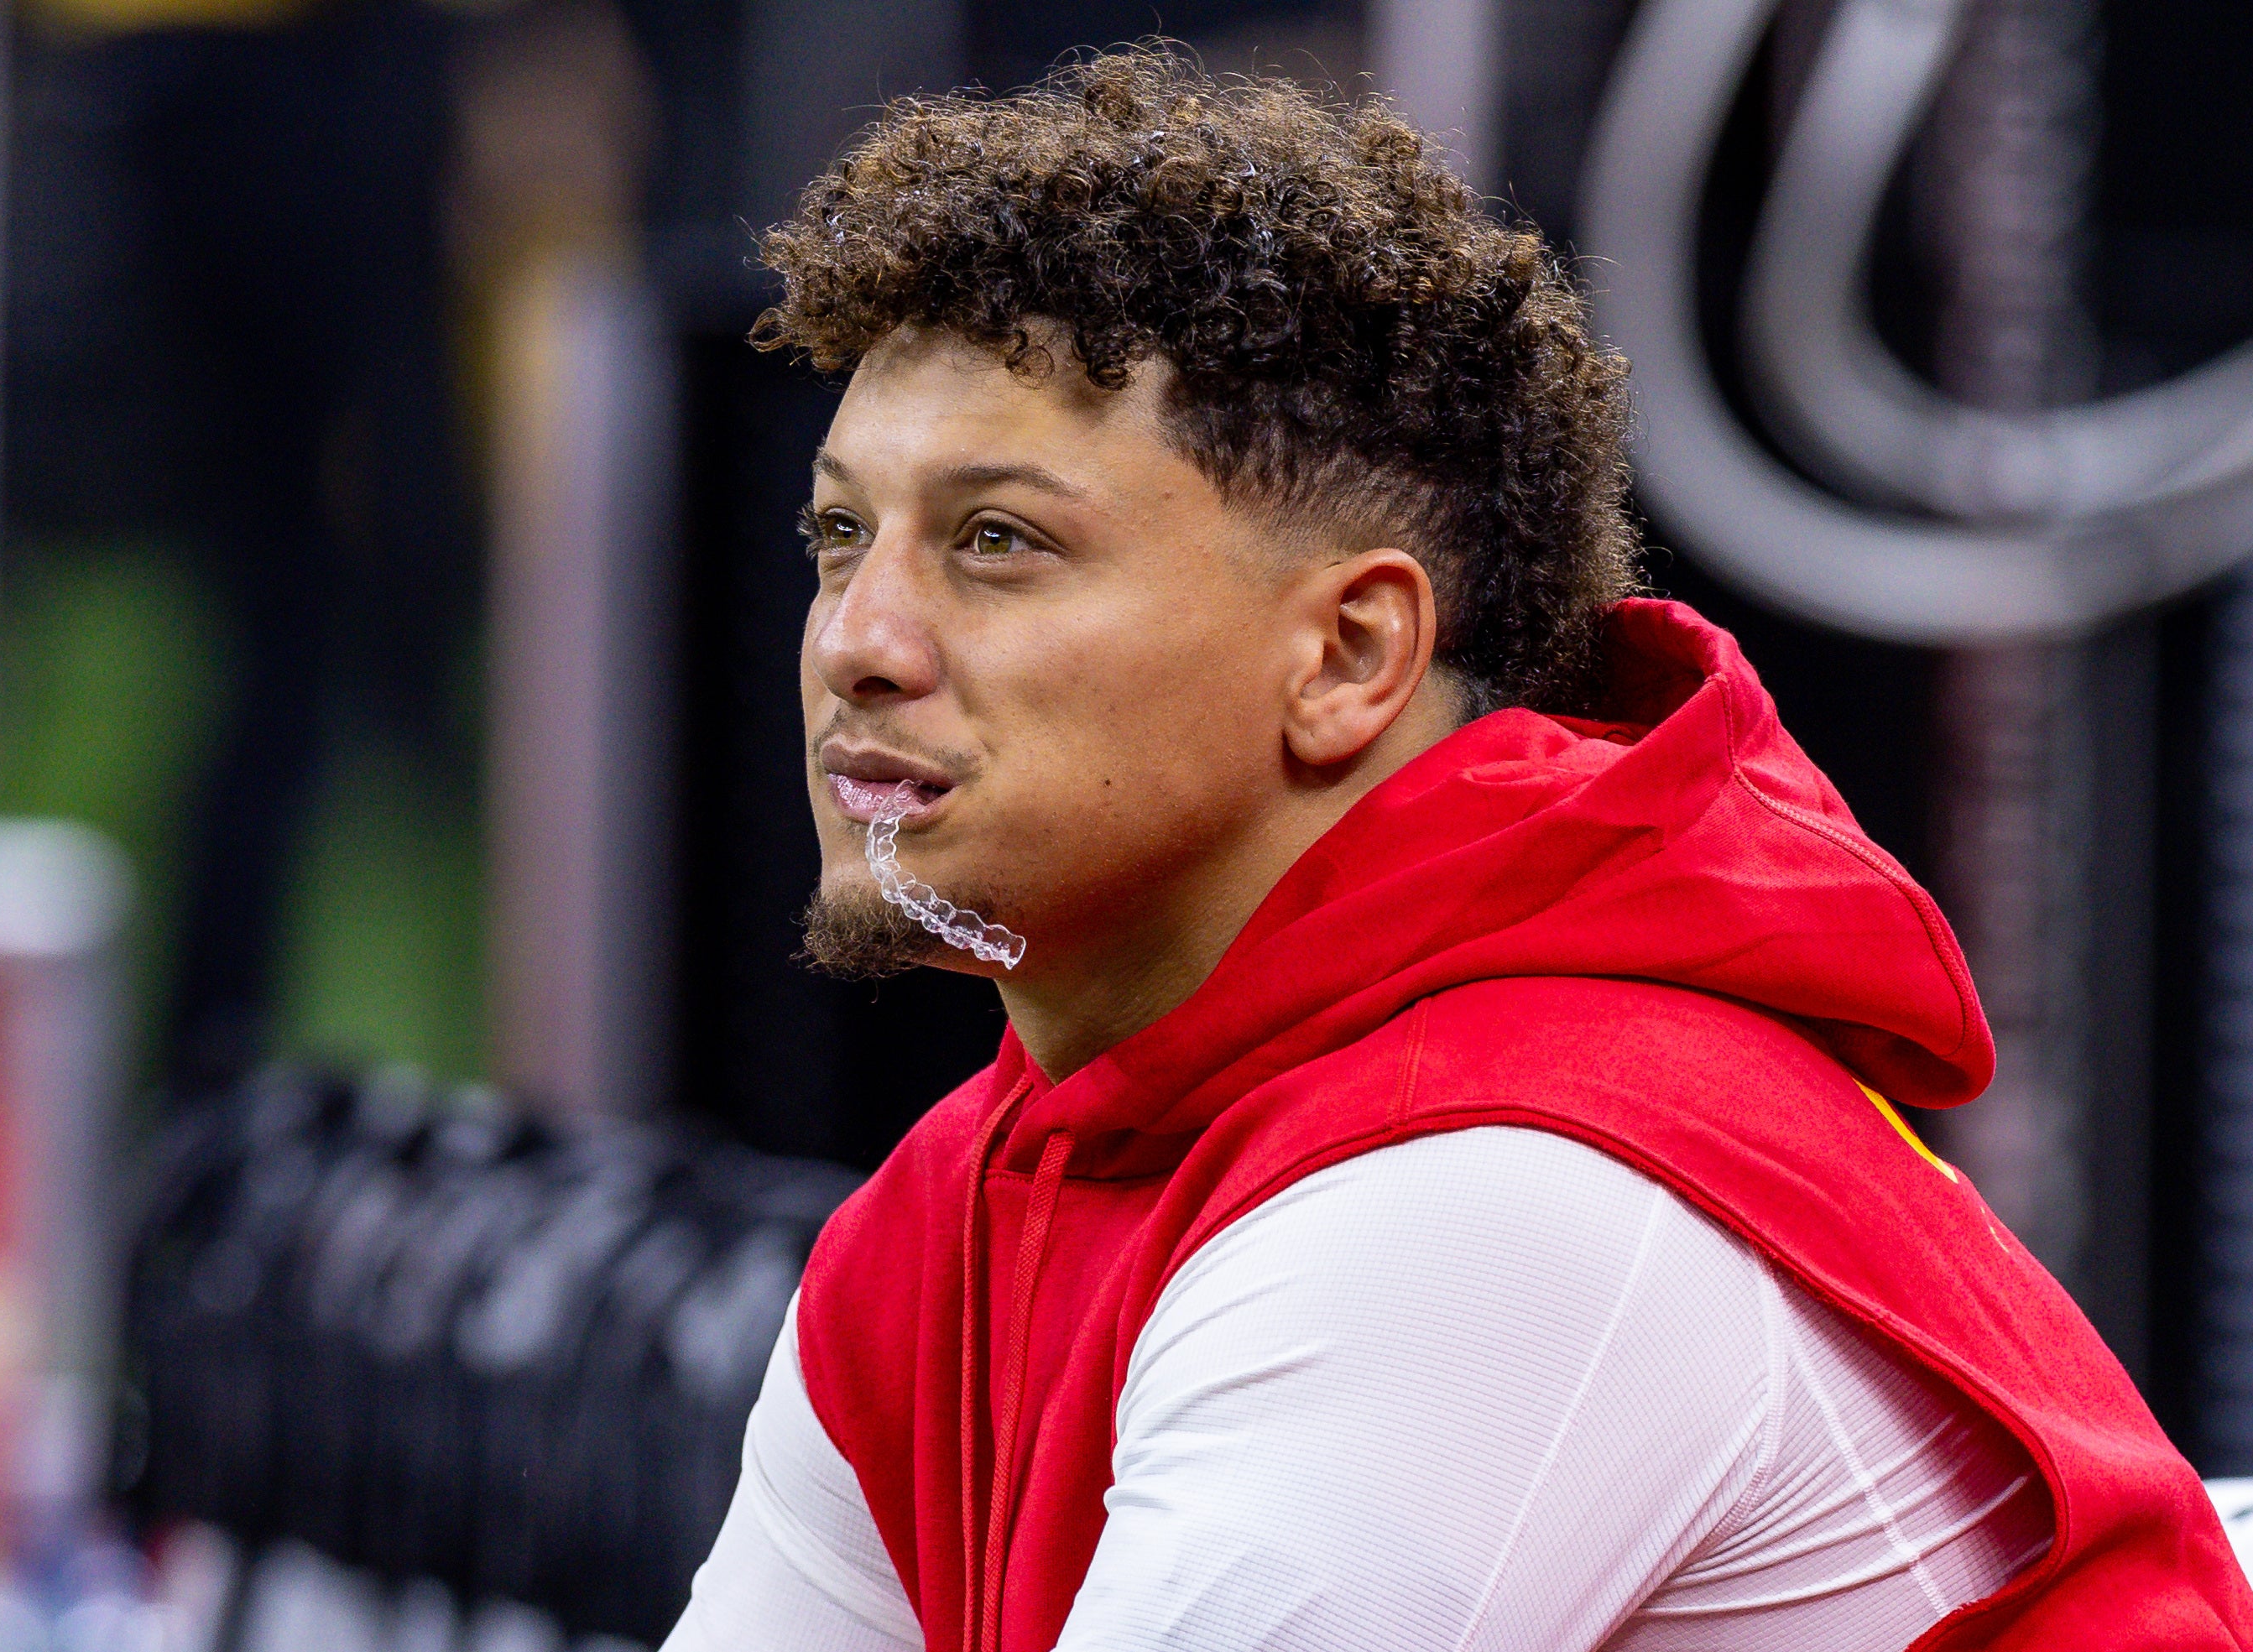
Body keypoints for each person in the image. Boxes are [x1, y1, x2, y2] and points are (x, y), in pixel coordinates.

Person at [662, 49, 2253, 1652]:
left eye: (998, 542)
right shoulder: (969, 1196)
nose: (854, 641)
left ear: (1351, 655)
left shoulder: (1477, 1198)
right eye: (840, 534)